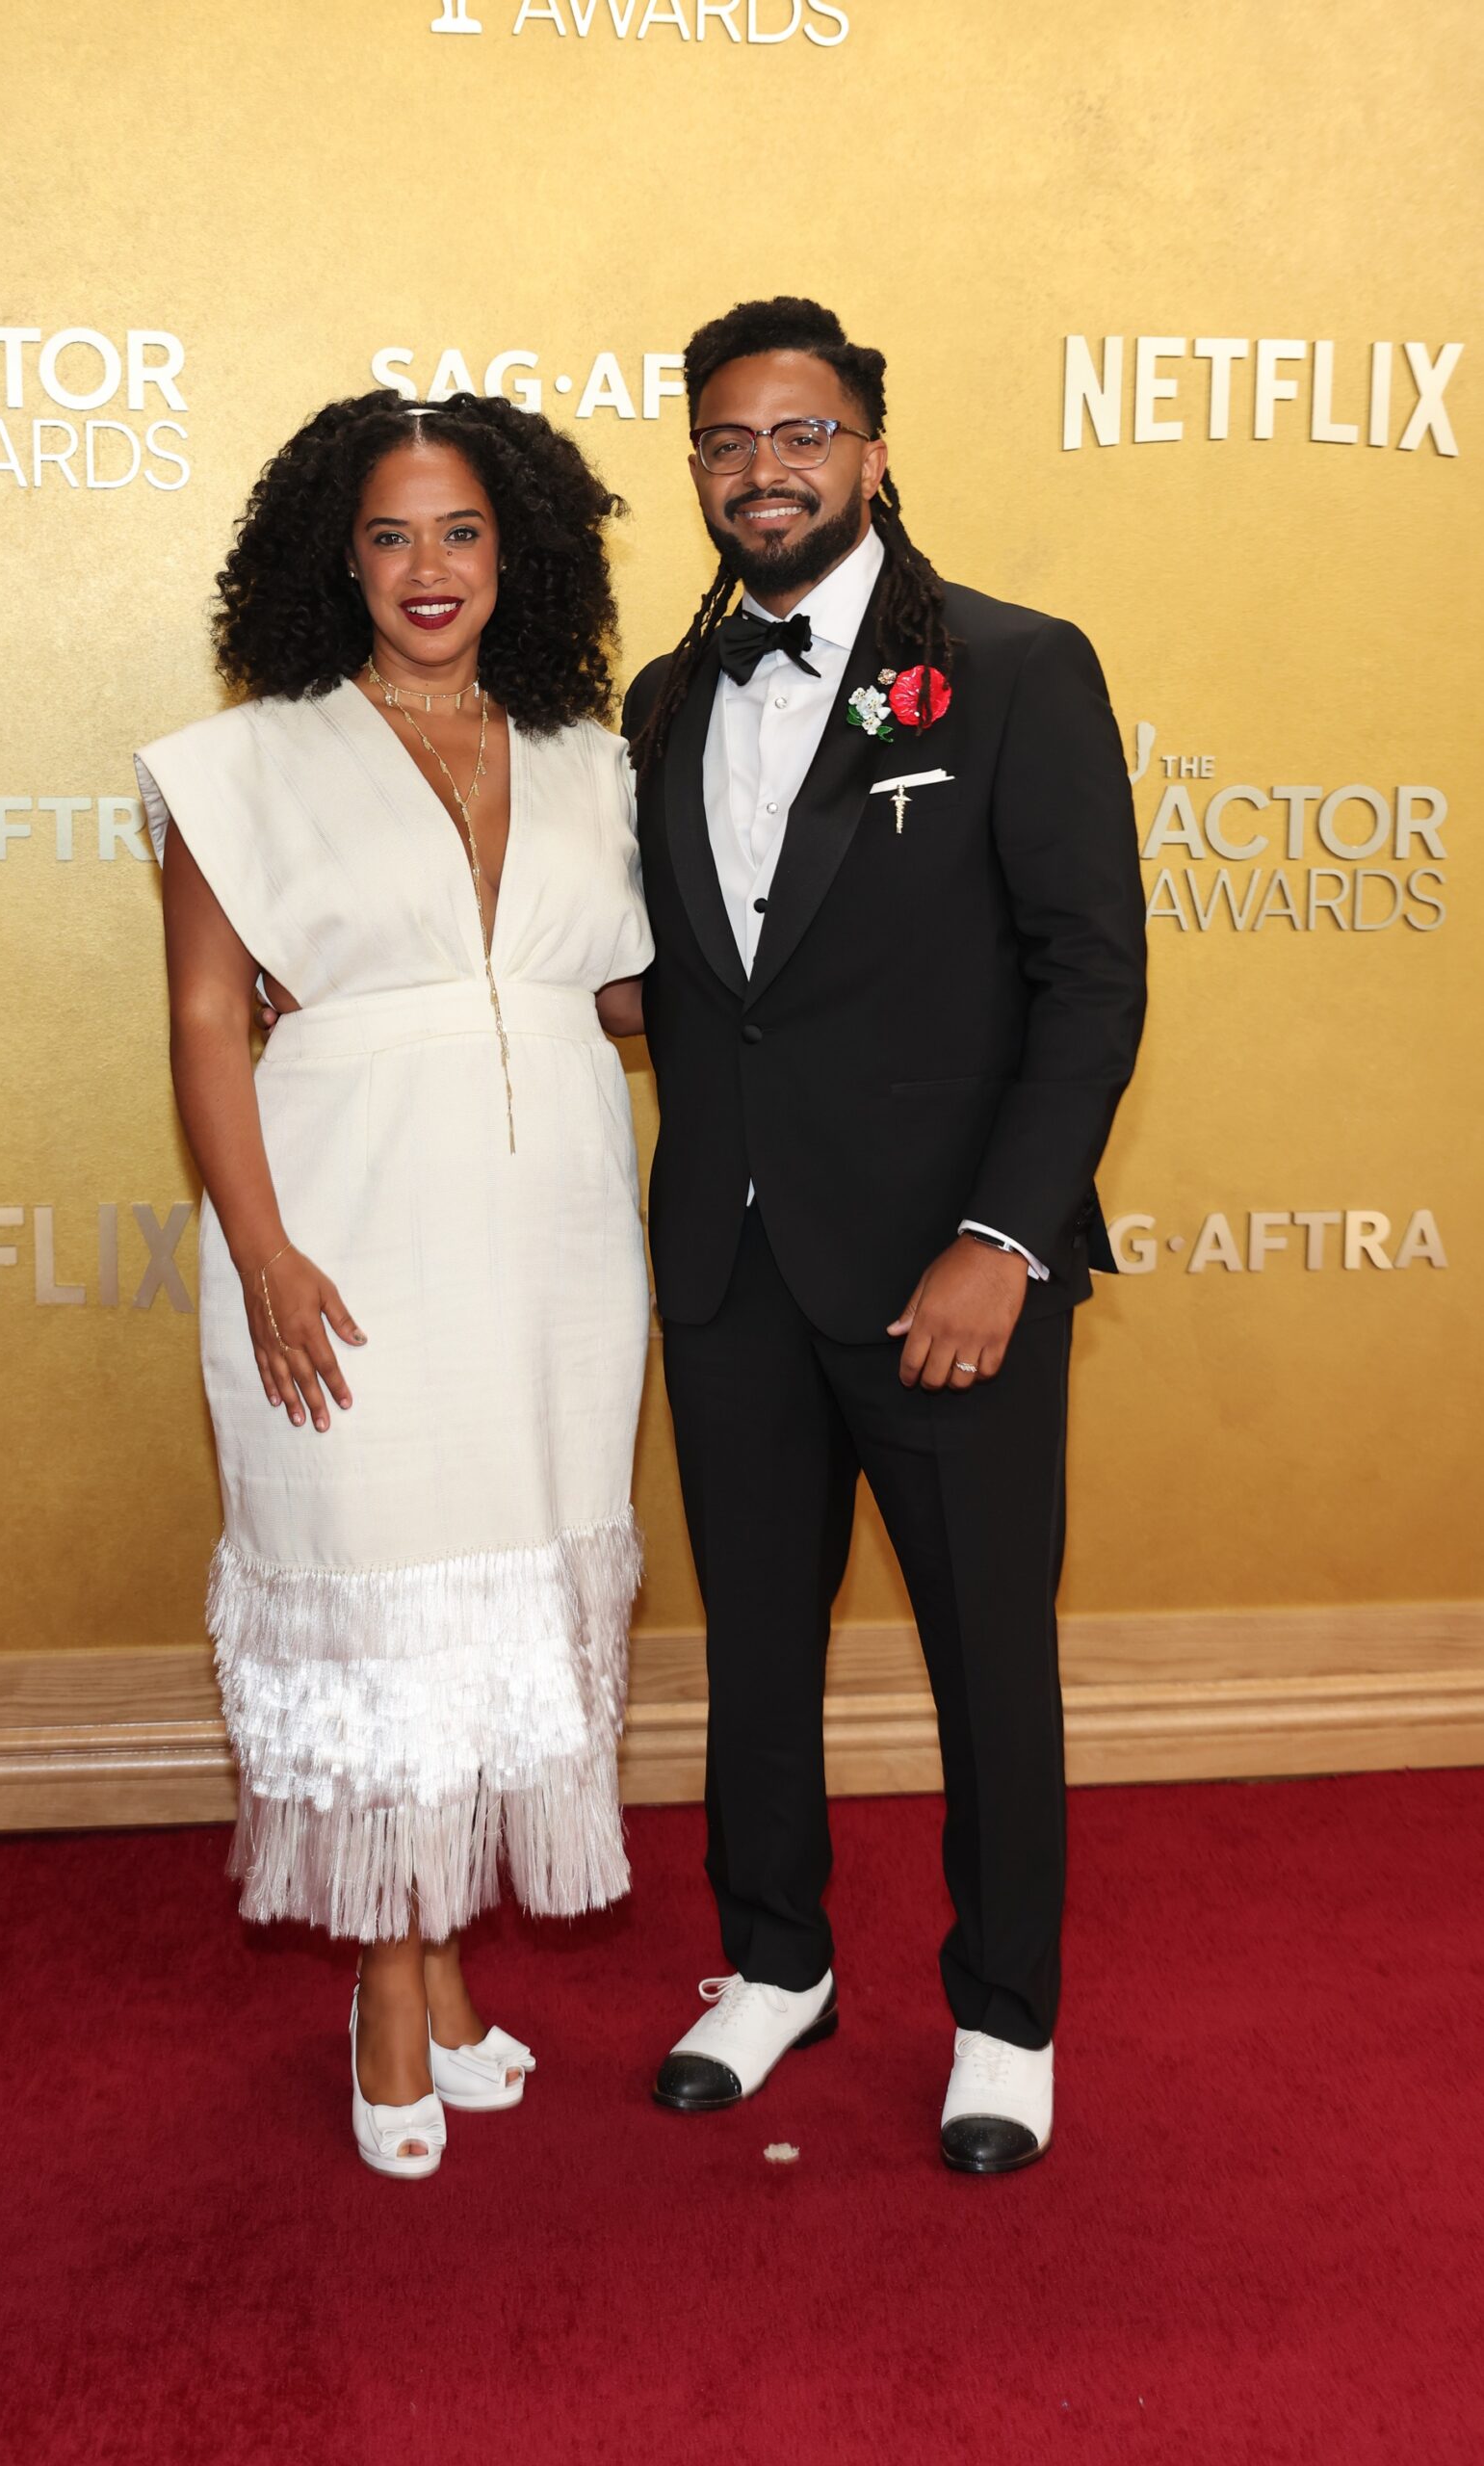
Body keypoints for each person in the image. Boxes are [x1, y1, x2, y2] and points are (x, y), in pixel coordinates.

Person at [623, 297, 1147, 2171]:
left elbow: (1087, 982)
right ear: (694, 465)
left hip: (950, 1281)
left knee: (985, 1658)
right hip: (732, 1264)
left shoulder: (1008, 667)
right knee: (754, 1647)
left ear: (867, 447)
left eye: (799, 432)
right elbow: (699, 987)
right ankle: (772, 1962)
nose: (759, 469)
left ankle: (1004, 2014)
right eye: (722, 441)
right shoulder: (665, 697)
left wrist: (1001, 1237)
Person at [137, 392, 652, 2181]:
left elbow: (620, 997)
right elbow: (209, 1017)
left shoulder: (593, 758)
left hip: (557, 1248)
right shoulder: (248, 764)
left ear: (518, 554)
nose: (427, 573)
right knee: (373, 1605)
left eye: (459, 535)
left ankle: (440, 1971)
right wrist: (265, 1254)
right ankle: (383, 1978)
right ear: (331, 557)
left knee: (499, 1613)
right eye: (388, 536)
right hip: (341, 1232)